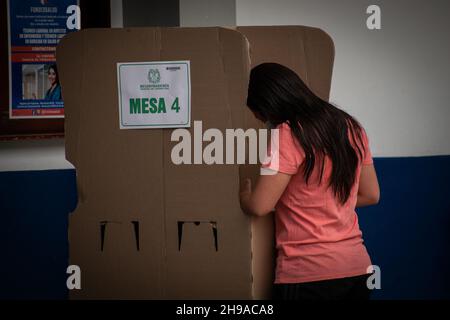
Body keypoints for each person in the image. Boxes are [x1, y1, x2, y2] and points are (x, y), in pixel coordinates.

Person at [239, 63, 380, 300]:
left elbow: (260, 206)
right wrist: (326, 204)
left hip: (308, 274)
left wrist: (244, 196)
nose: (258, 118)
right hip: (357, 268)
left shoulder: (287, 133)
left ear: (269, 104)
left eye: (258, 111)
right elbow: (371, 195)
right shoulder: (352, 127)